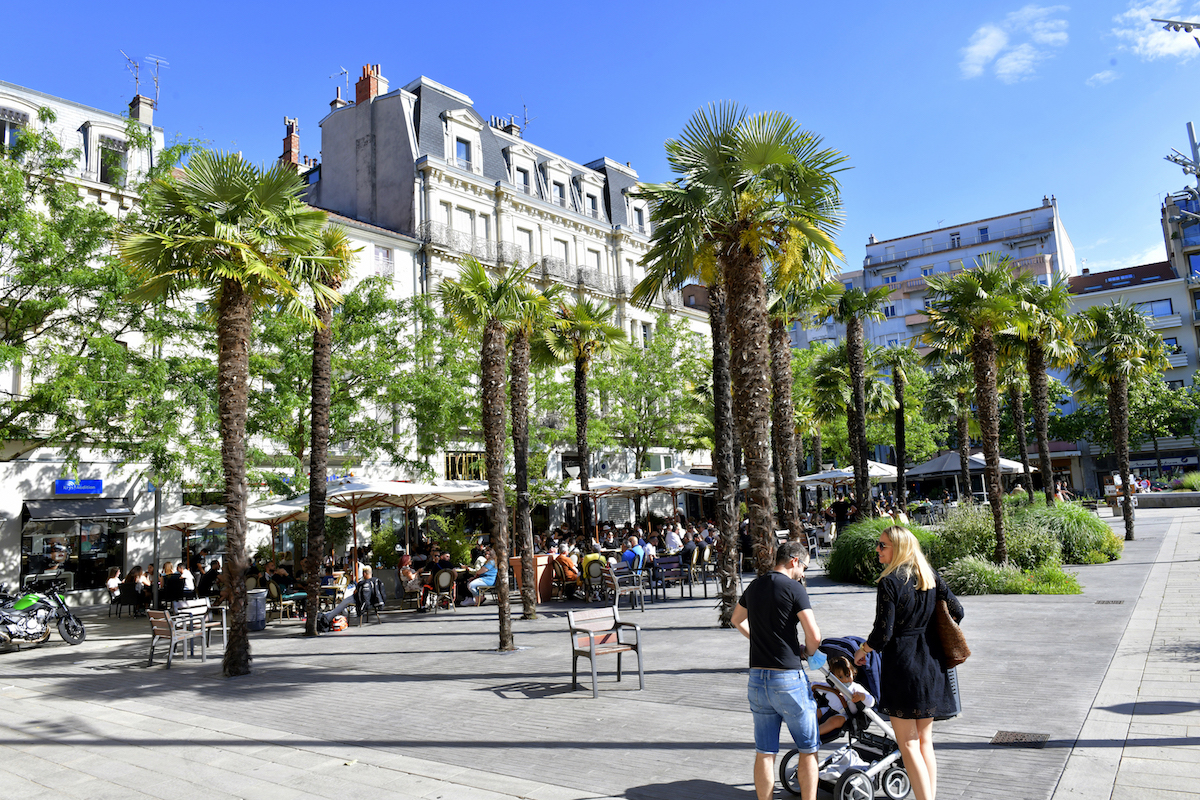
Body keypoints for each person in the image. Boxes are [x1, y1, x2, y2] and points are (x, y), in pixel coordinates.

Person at [854, 526, 964, 800]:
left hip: (903, 665)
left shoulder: (889, 582)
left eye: (883, 546)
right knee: (924, 741)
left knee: (908, 743)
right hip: (931, 662)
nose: (878, 550)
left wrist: (863, 649)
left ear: (899, 548)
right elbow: (958, 612)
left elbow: (883, 632)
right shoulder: (931, 576)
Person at [731, 541, 823, 800]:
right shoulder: (795, 588)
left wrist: (758, 639)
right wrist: (810, 653)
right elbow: (813, 635)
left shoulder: (755, 585)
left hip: (758, 678)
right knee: (808, 749)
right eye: (804, 567)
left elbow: (736, 619)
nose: (803, 573)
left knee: (765, 751)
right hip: (787, 677)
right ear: (794, 560)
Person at [813, 655, 875, 736]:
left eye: (848, 675)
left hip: (846, 715)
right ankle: (804, 728)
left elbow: (871, 702)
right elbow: (815, 685)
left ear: (853, 673)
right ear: (833, 677)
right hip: (830, 709)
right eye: (840, 677)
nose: (845, 680)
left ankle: (813, 735)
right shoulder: (832, 686)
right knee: (814, 713)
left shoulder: (855, 688)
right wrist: (810, 687)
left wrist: (862, 696)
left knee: (834, 721)